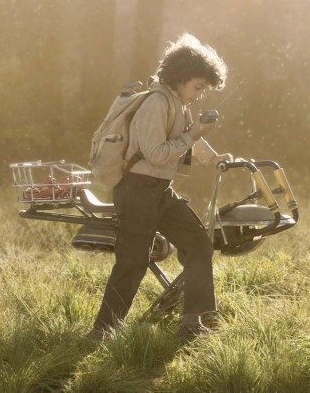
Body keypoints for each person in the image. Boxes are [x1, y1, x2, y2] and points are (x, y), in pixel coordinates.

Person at [87, 33, 232, 341]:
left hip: (160, 190)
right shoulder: (155, 103)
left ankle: (193, 322)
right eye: (198, 87)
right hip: (136, 189)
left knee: (199, 245)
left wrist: (213, 157)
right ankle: (103, 331)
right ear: (181, 77)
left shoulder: (177, 103)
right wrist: (192, 136)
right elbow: (156, 153)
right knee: (133, 261)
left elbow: (188, 137)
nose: (199, 95)